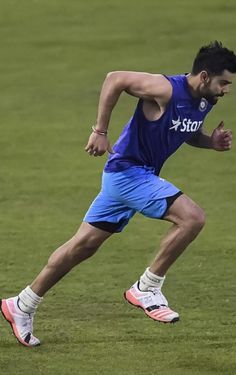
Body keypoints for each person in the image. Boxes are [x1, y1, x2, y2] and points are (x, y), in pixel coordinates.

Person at [1, 41, 236, 347]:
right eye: (223, 83)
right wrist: (100, 131)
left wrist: (210, 143)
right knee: (192, 218)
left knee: (81, 247)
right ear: (204, 76)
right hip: (128, 173)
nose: (226, 90)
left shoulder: (202, 102)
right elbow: (115, 78)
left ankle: (22, 304)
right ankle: (147, 287)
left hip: (133, 179)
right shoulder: (166, 89)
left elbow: (183, 129)